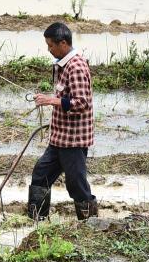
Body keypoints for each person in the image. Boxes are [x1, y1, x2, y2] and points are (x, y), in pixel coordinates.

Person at [29, 21, 98, 221]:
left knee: (76, 184)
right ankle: (37, 221)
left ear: (63, 43)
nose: (48, 49)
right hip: (59, 137)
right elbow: (65, 97)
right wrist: (49, 98)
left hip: (73, 140)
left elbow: (81, 103)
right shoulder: (63, 65)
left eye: (51, 45)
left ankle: (90, 224)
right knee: (41, 175)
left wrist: (51, 100)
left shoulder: (75, 67)